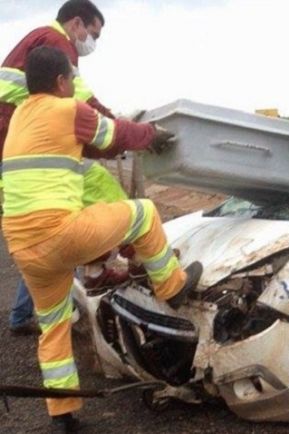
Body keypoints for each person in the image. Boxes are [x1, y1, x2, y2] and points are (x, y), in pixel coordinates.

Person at [2, 46, 203, 433]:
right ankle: (172, 285)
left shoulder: (21, 120)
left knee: (54, 324)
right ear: (62, 81)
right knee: (143, 212)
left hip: (23, 245)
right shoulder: (68, 110)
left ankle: (62, 413)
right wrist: (151, 135)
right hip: (60, 234)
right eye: (71, 80)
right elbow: (116, 136)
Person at [0, 0, 128, 335]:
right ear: (76, 24)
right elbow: (80, 103)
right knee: (93, 192)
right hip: (20, 145)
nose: (92, 43)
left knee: (46, 233)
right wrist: (118, 130)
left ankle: (27, 313)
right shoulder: (58, 45)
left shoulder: (39, 39)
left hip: (16, 144)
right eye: (93, 33)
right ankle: (109, 263)